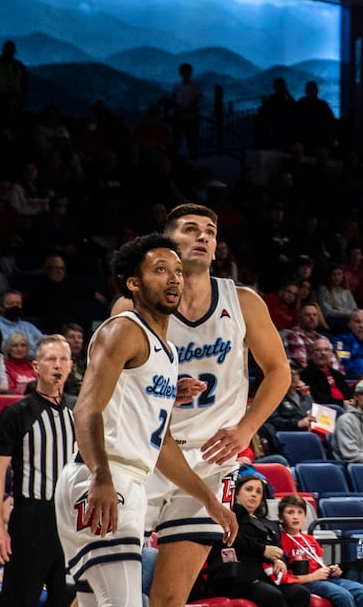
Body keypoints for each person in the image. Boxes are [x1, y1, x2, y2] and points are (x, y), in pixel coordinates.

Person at [117, 204, 291, 607]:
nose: (203, 237)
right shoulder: (134, 306)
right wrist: (158, 388)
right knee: (101, 590)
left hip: (212, 462)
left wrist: (247, 429)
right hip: (145, 453)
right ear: (167, 244)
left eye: (210, 232)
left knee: (169, 598)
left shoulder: (242, 301)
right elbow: (109, 389)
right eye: (191, 229)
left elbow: (278, 370)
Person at [55, 233, 237, 606]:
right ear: (134, 283)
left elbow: (163, 446)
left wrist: (210, 501)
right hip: (106, 477)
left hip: (127, 478)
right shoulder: (124, 328)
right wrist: (100, 476)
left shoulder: (167, 351)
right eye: (160, 270)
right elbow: (86, 408)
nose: (174, 278)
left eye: (177, 271)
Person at [0, 335, 75, 604]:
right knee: (20, 599)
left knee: (68, 598)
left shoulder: (80, 411)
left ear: (71, 366)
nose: (57, 365)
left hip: (69, 519)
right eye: (50, 359)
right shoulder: (16, 413)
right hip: (31, 518)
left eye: (62, 359)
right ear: (36, 367)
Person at [206, 474, 306, 607]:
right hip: (237, 575)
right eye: (249, 489)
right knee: (273, 596)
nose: (254, 494)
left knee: (300, 592)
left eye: (258, 492)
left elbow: (279, 550)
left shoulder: (271, 524)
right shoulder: (228, 516)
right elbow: (233, 538)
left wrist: (279, 560)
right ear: (236, 494)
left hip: (265, 576)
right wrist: (263, 550)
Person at [276, 494, 363, 607]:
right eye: (290, 512)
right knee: (343, 595)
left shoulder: (309, 539)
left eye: (300, 512)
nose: (295, 516)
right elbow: (283, 577)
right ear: (281, 518)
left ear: (305, 517)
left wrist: (332, 570)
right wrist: (313, 576)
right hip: (303, 582)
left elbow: (320, 565)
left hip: (322, 580)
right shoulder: (280, 541)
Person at [169, 63, 202, 161]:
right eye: (185, 72)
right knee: (176, 140)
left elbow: (197, 99)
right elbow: (174, 99)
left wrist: (189, 108)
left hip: (191, 117)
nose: (187, 74)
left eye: (189, 72)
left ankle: (194, 160)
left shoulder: (196, 86)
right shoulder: (176, 86)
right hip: (179, 116)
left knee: (192, 141)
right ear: (181, 73)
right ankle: (173, 161)